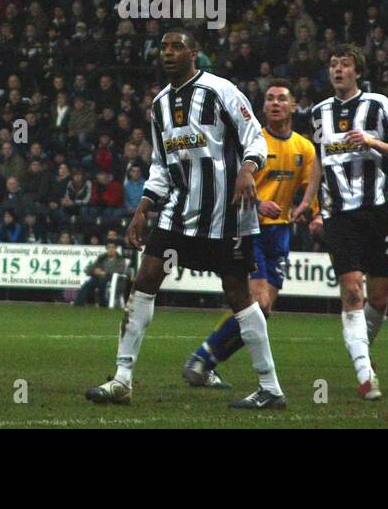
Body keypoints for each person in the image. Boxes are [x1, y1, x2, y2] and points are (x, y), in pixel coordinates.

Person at [85, 29, 284, 410]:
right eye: (163, 47)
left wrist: (247, 168)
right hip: (178, 213)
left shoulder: (220, 90)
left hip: (226, 215)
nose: (168, 53)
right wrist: (144, 206)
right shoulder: (159, 104)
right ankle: (122, 378)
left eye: (177, 46)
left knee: (239, 294)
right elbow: (161, 164)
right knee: (144, 280)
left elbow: (255, 136)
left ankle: (270, 387)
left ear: (194, 52)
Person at [295, 44, 388, 400]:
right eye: (333, 65)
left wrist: (373, 141)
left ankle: (363, 351)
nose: (338, 70)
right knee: (351, 290)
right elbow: (319, 160)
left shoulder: (381, 106)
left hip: (379, 212)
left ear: (358, 71)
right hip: (339, 215)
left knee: (379, 297)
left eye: (345, 65)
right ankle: (364, 374)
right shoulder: (319, 113)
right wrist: (307, 201)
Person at [183, 79, 314, 388]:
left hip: (280, 235)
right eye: (269, 99)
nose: (275, 103)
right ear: (263, 106)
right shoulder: (253, 141)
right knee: (259, 305)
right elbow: (230, 186)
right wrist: (257, 205)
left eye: (282, 98)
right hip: (249, 229)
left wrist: (310, 210)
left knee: (261, 311)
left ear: (293, 106)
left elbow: (310, 188)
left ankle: (206, 361)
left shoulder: (304, 148)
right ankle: (203, 359)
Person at [74, 241, 130, 307]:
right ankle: (78, 303)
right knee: (88, 283)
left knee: (103, 282)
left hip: (113, 280)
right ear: (106, 249)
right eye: (109, 247)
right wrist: (95, 271)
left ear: (115, 249)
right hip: (99, 277)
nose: (111, 249)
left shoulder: (120, 259)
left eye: (113, 247)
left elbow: (120, 271)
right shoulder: (102, 258)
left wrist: (105, 273)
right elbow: (89, 269)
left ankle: (103, 304)